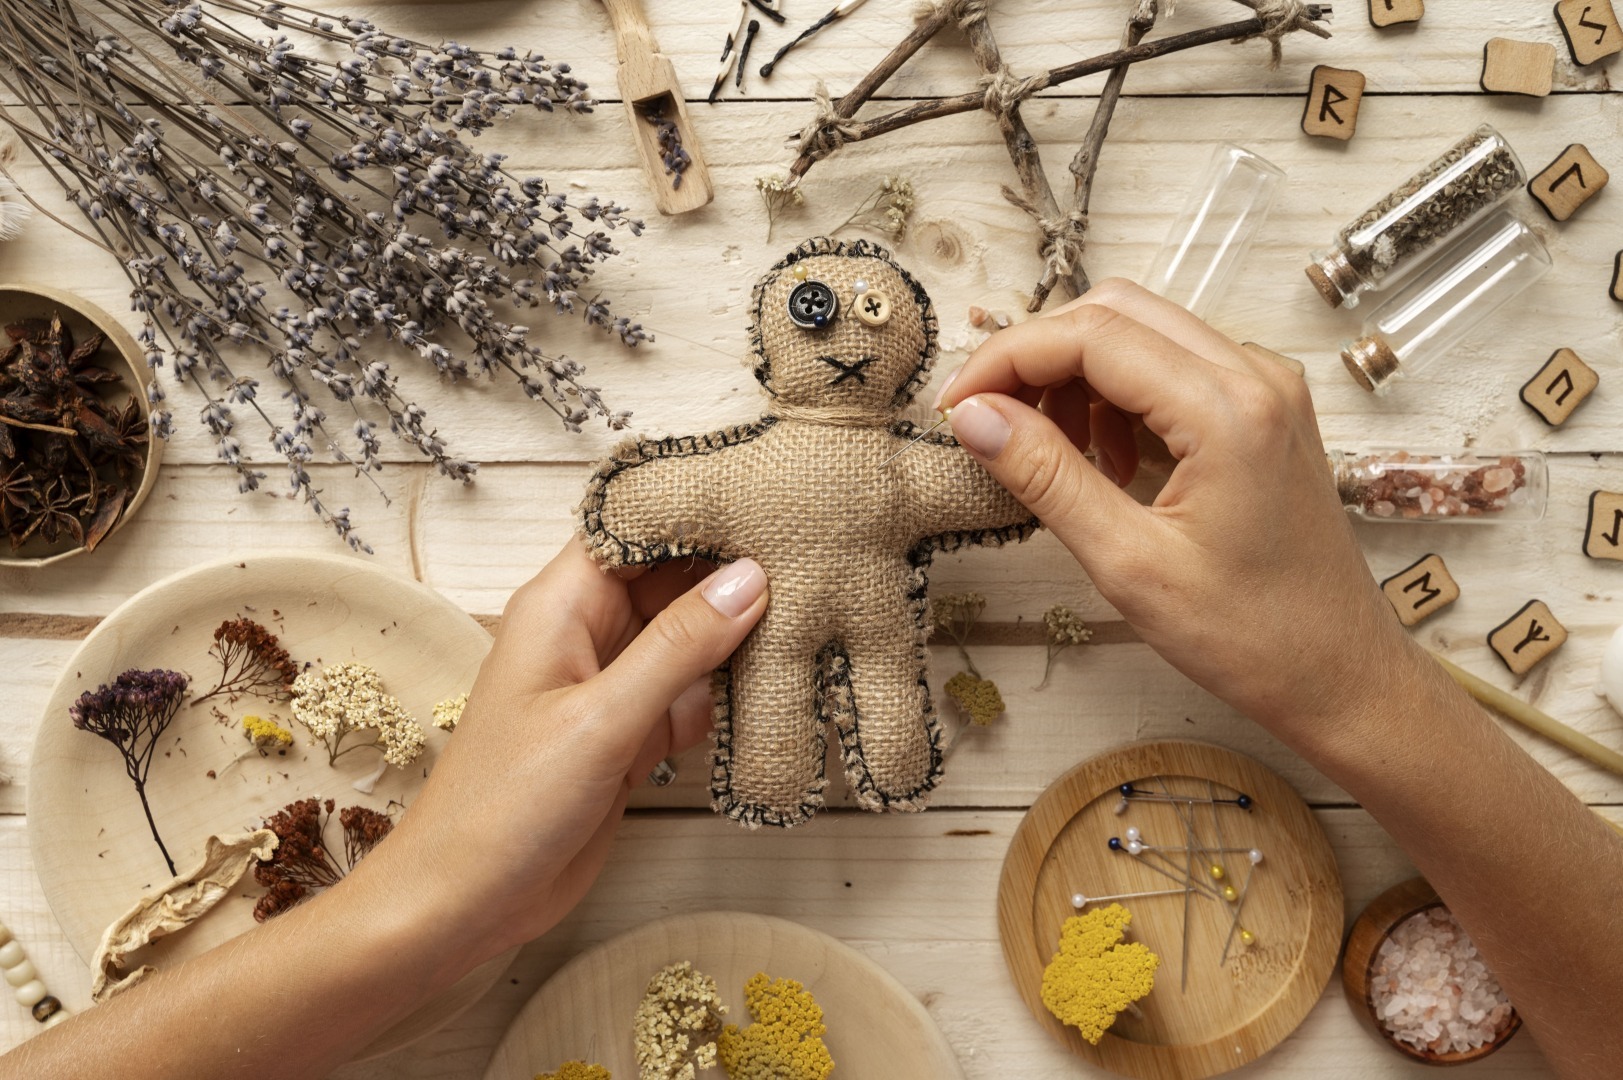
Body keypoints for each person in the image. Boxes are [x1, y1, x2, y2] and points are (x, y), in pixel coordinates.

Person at [3, 281, 1617, 1079]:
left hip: (814, 620)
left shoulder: (879, 459)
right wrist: (427, 917)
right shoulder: (790, 460)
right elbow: (668, 499)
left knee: (877, 702)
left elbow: (959, 481)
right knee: (785, 706)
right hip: (766, 634)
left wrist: (432, 916)